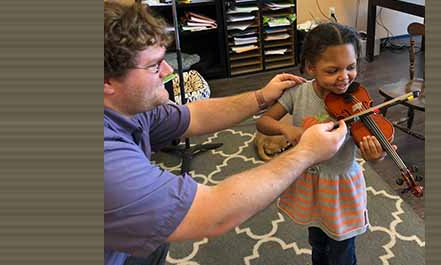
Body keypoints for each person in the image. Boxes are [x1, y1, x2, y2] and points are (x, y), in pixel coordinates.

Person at [103, 2, 348, 265]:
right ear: (106, 81)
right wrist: (307, 152)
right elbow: (212, 212)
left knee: (154, 243)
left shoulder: (128, 107)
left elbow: (193, 116)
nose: (169, 71)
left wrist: (260, 97)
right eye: (154, 66)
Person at [256, 22, 389, 265]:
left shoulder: (356, 100)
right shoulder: (298, 93)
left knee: (342, 250)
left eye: (351, 67)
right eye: (332, 70)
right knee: (317, 242)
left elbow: (374, 151)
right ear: (310, 67)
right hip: (309, 181)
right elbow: (263, 122)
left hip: (341, 185)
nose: (344, 77)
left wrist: (375, 155)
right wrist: (287, 129)